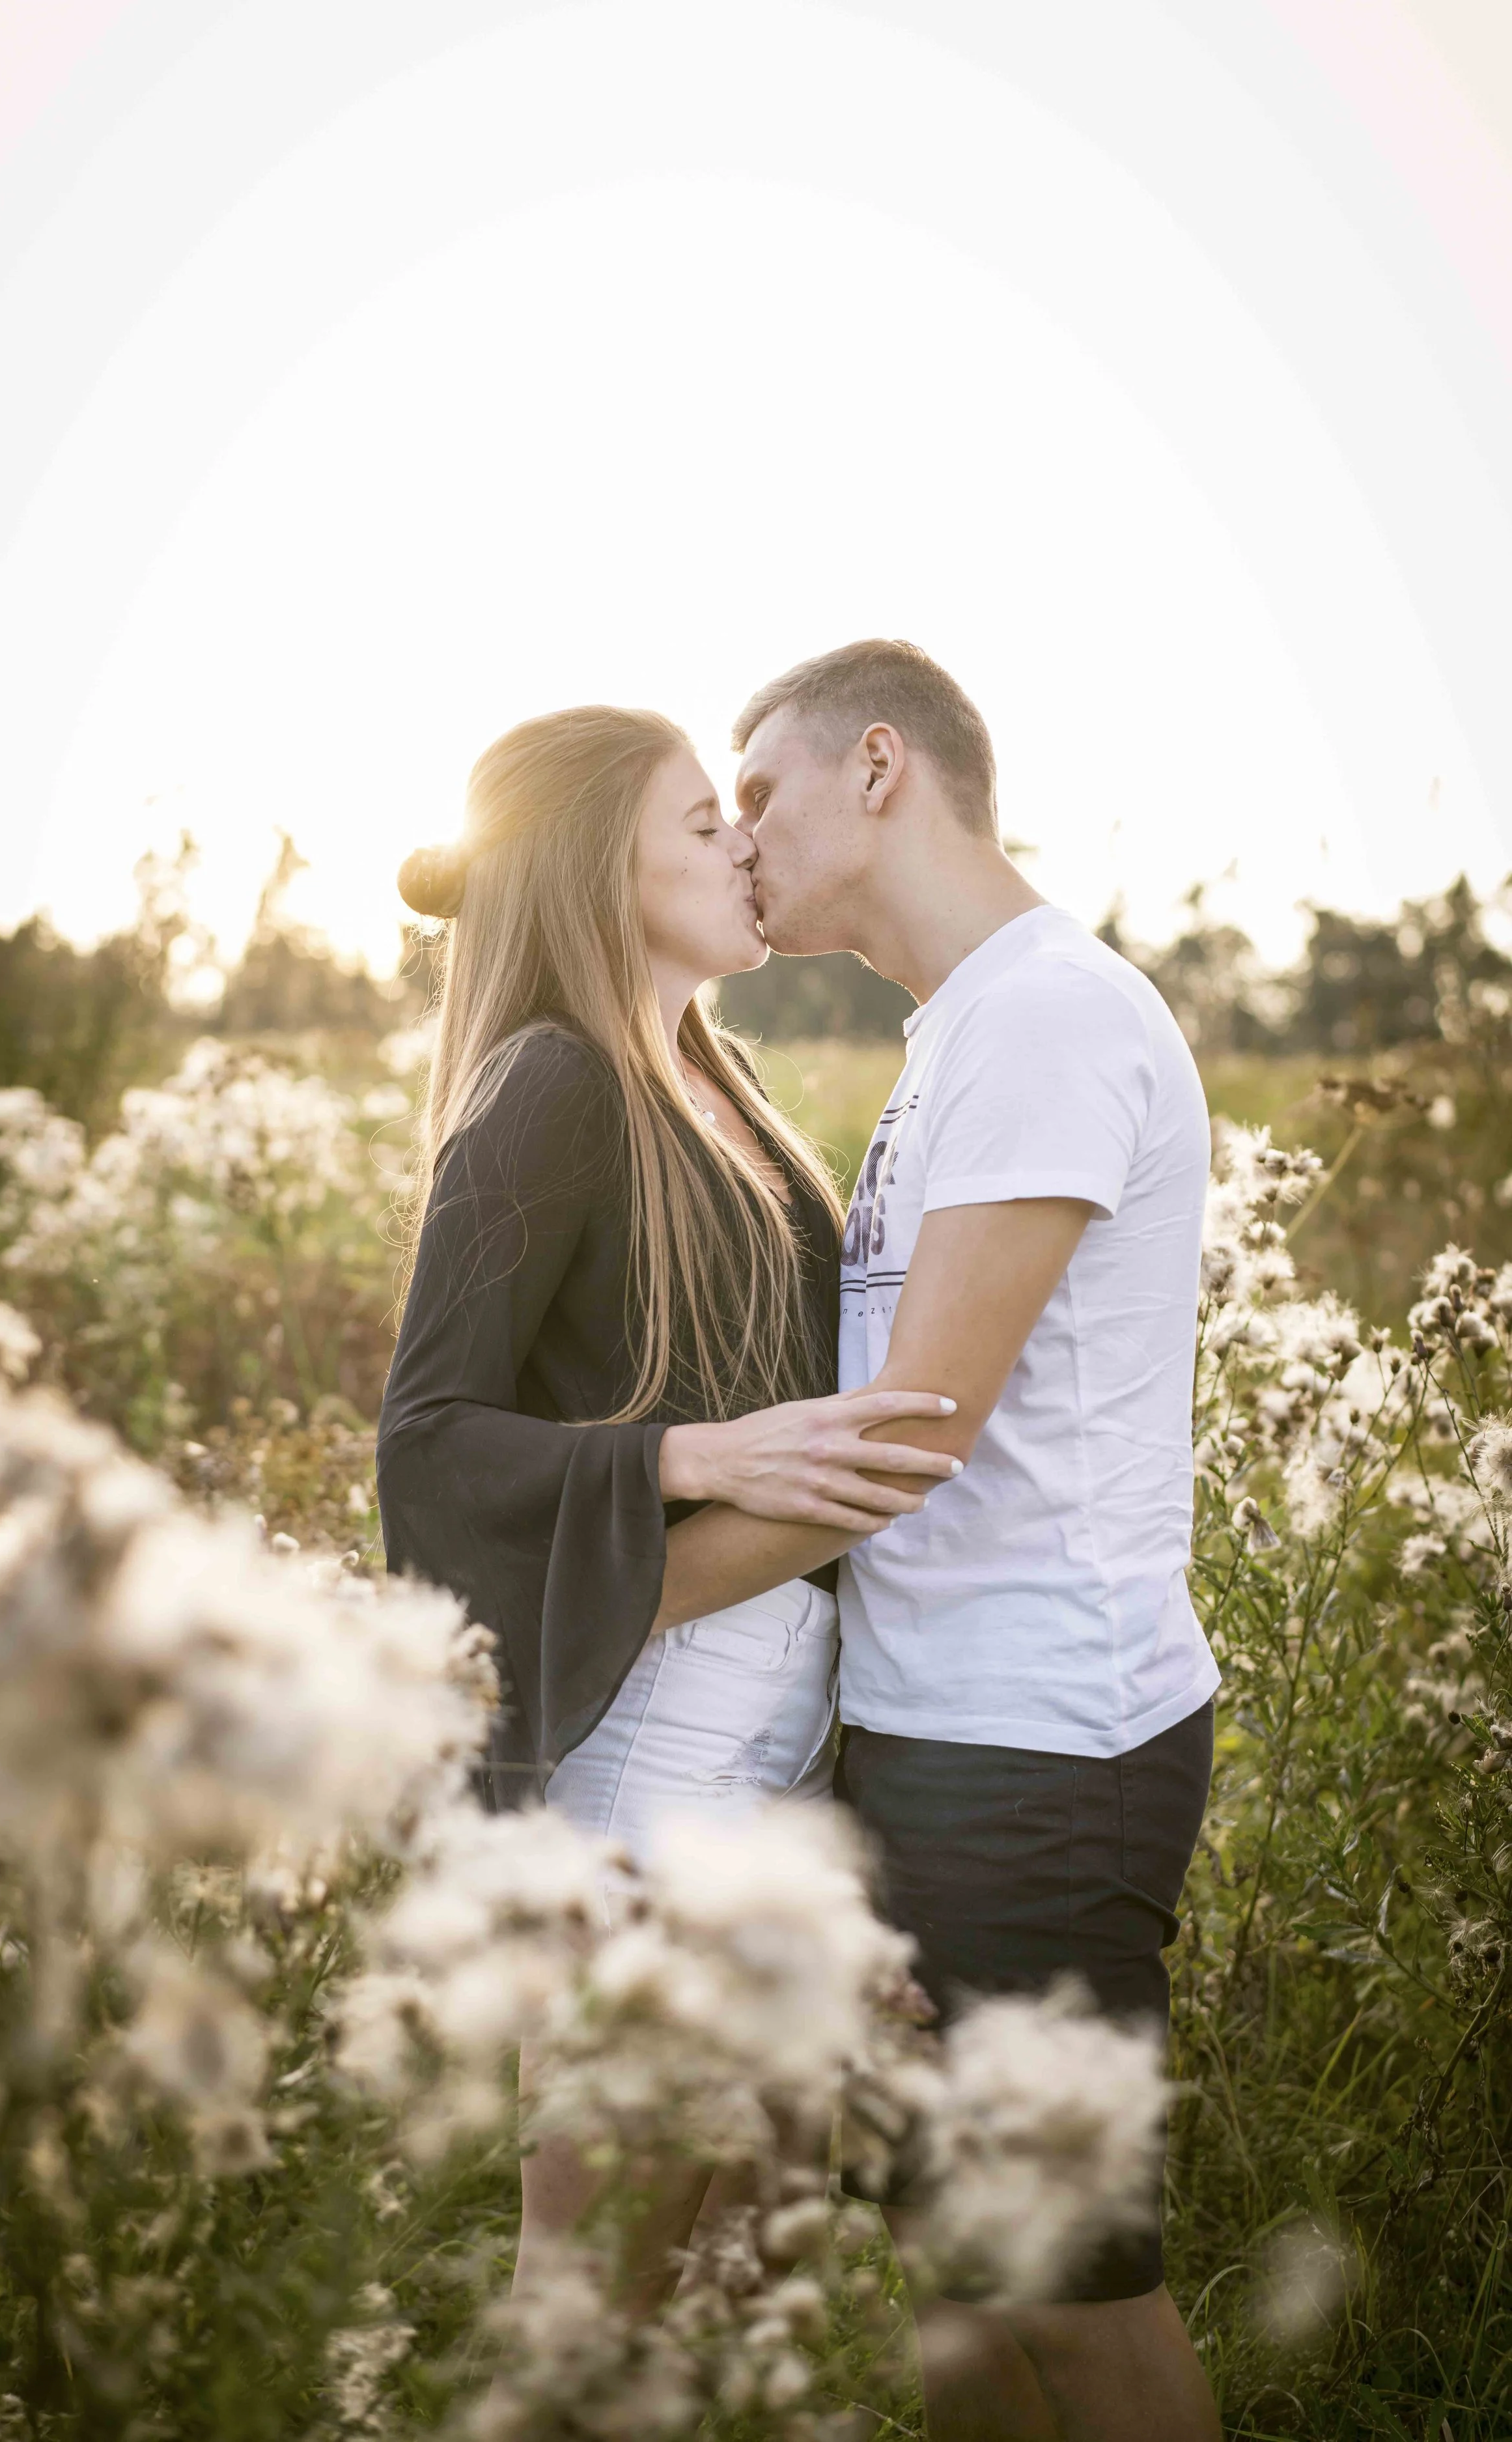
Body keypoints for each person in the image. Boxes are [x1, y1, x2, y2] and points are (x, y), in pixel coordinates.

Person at [650, 641, 1222, 2442]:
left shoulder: (1048, 1015)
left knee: (1071, 2296)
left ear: (879, 766)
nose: (740, 837)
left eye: (760, 792)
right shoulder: (960, 1032)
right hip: (931, 1731)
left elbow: (911, 1430)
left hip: (1041, 1748)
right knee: (961, 2292)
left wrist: (609, 1602)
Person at [375, 703, 959, 2310]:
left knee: (728, 2280)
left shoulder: (716, 1076)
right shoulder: (550, 1084)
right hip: (644, 1752)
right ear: (595, 870)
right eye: (703, 823)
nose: (743, 844)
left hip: (779, 1737)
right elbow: (426, 1441)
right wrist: (678, 1461)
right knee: (590, 2308)